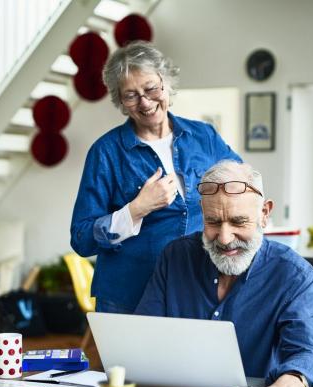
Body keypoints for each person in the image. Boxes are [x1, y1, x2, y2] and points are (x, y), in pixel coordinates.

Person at [134, 160, 313, 387]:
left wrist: (293, 381)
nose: (224, 237)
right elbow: (144, 333)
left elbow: (306, 352)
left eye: (238, 221)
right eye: (213, 222)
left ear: (264, 214)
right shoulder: (175, 256)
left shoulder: (295, 275)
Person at [70, 41, 241, 314]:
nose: (145, 102)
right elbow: (81, 238)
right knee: (127, 360)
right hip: (129, 296)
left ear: (166, 83)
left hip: (197, 290)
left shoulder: (204, 136)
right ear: (120, 101)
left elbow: (242, 187)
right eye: (131, 95)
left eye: (151, 89)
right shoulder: (106, 152)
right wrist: (136, 209)